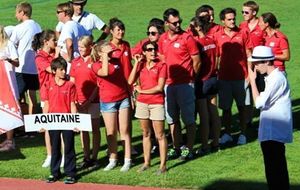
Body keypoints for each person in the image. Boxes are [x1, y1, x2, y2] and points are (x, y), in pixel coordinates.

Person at [158, 8, 201, 160]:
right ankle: (177, 146)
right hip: (169, 85)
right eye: (174, 23)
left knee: (188, 118)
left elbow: (196, 61)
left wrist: (191, 79)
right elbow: (162, 58)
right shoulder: (162, 39)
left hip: (185, 85)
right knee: (172, 118)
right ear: (166, 23)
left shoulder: (187, 38)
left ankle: (188, 149)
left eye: (179, 22)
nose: (178, 25)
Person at [248, 46, 292, 190]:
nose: (255, 66)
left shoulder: (276, 79)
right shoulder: (272, 78)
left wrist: (253, 81)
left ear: (267, 62)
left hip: (274, 132)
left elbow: (259, 103)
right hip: (271, 132)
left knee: (275, 171)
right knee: (274, 170)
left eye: (257, 63)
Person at [92, 41, 132, 172]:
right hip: (108, 102)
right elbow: (105, 73)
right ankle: (113, 159)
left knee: (124, 130)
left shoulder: (117, 61)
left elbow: (123, 79)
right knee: (111, 132)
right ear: (99, 53)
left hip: (123, 98)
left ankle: (127, 159)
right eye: (107, 52)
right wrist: (104, 57)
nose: (110, 53)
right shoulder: (95, 65)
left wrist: (130, 95)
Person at [128, 41, 167, 174]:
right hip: (143, 103)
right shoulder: (141, 65)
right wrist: (136, 63)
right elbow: (130, 81)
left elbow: (159, 87)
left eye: (154, 49)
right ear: (144, 52)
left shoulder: (162, 65)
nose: (153, 52)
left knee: (160, 135)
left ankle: (162, 165)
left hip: (156, 103)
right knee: (145, 133)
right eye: (149, 50)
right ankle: (147, 162)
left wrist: (142, 91)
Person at [214, 8, 252, 145]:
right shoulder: (217, 36)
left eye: (233, 18)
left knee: (242, 107)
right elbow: (217, 56)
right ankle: (227, 133)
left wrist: (250, 75)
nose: (232, 21)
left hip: (241, 77)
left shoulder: (243, 33)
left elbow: (249, 55)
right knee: (226, 108)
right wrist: (216, 73)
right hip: (224, 78)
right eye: (229, 19)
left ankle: (243, 134)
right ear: (223, 21)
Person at [190, 16, 221, 155]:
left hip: (202, 81)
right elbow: (217, 58)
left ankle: (204, 146)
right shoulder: (212, 40)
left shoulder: (197, 42)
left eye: (191, 26)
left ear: (197, 27)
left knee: (204, 116)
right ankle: (216, 143)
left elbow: (198, 63)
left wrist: (194, 78)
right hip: (214, 78)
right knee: (214, 113)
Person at [44, 57, 77, 184]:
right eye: (61, 70)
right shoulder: (48, 85)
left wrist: (75, 122)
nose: (64, 72)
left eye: (65, 69)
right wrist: (43, 120)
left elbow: (73, 104)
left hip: (67, 120)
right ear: (54, 71)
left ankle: (70, 173)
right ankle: (54, 173)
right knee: (55, 147)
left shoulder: (70, 85)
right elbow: (46, 103)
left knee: (69, 146)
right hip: (53, 120)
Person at [69, 35, 100, 168]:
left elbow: (99, 83)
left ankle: (95, 157)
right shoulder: (75, 62)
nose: (80, 49)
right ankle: (86, 156)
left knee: (95, 129)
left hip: (93, 100)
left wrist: (90, 100)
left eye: (83, 47)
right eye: (79, 47)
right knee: (83, 130)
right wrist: (74, 100)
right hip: (79, 101)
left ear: (90, 46)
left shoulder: (96, 61)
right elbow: (72, 82)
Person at [32, 30, 60, 167]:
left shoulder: (55, 53)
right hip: (47, 95)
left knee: (62, 125)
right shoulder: (39, 57)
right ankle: (50, 155)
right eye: (54, 40)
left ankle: (63, 155)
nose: (56, 42)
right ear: (46, 42)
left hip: (61, 94)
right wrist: (59, 55)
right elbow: (53, 69)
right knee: (49, 126)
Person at [10, 2, 42, 123]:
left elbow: (11, 45)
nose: (15, 16)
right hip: (34, 67)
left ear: (23, 12)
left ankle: (18, 124)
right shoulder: (37, 26)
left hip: (21, 68)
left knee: (16, 97)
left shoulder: (19, 28)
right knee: (32, 97)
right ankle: (31, 125)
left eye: (17, 12)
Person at [0, 25, 19, 152]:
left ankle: (10, 140)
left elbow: (17, 62)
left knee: (10, 106)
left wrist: (7, 60)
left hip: (9, 82)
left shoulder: (9, 45)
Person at [56, 2, 88, 66]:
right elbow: (89, 37)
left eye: (58, 12)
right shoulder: (78, 25)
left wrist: (69, 58)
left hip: (68, 65)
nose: (57, 14)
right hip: (78, 61)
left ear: (65, 13)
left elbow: (69, 44)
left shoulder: (67, 26)